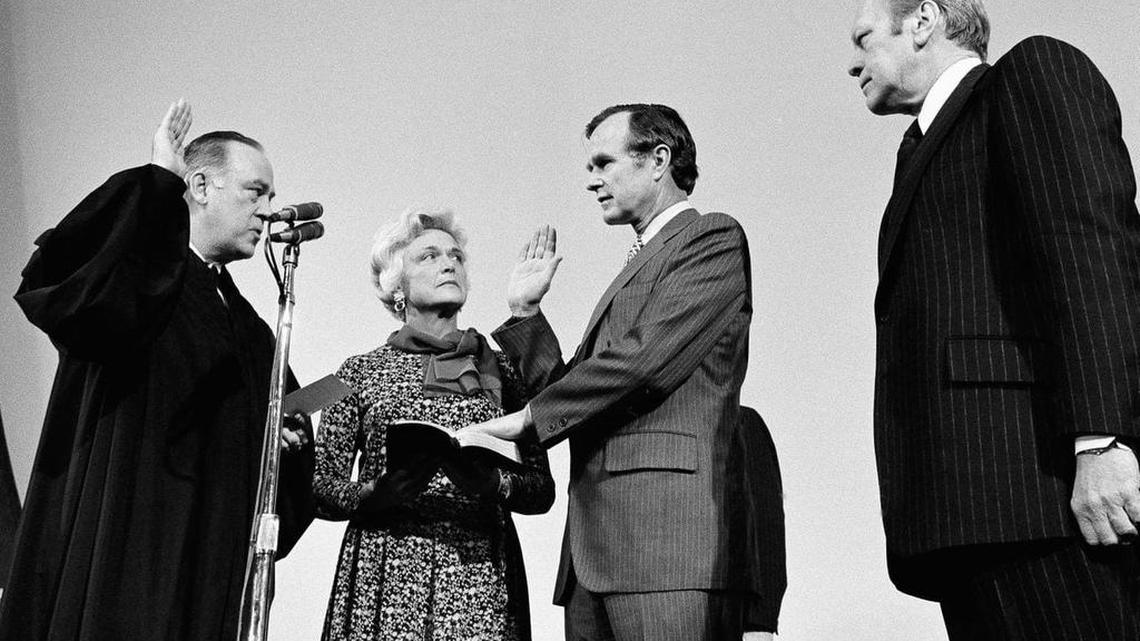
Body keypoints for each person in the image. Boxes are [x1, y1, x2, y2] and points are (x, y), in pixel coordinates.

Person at [848, 0, 1140, 638]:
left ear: (923, 21)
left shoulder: (1027, 77)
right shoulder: (919, 149)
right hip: (967, 516)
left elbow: (1091, 253)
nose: (853, 63)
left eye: (865, 39)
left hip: (1041, 500)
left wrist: (1102, 440)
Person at [0, 100, 315, 641]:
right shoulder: (141, 278)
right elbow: (60, 281)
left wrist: (284, 437)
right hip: (131, 535)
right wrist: (153, 184)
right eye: (255, 192)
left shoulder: (251, 328)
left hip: (211, 555)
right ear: (199, 185)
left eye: (272, 197)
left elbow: (276, 433)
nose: (268, 211)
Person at [467, 104, 784, 640]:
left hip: (666, 552)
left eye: (604, 163)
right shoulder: (639, 262)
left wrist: (527, 419)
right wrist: (525, 314)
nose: (591, 181)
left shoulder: (711, 238)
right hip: (594, 560)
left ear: (658, 160)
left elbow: (640, 365)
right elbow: (581, 397)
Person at [312, 207, 555, 641]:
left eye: (456, 256)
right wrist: (373, 493)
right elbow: (320, 487)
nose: (449, 264)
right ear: (396, 285)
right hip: (384, 572)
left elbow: (541, 489)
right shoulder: (357, 372)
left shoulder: (502, 369)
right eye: (428, 256)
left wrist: (492, 484)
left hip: (479, 574)